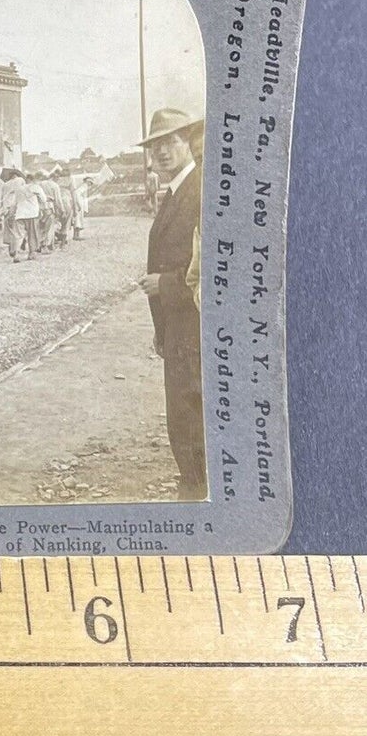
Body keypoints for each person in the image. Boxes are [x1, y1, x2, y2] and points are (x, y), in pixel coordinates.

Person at [140, 107, 206, 498]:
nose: (162, 152)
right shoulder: (176, 190)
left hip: (194, 323)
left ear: (189, 141)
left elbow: (216, 267)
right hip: (178, 327)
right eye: (155, 146)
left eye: (171, 142)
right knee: (185, 413)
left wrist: (164, 284)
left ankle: (198, 495)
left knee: (190, 414)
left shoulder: (199, 190)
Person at [0, 168, 36, 262]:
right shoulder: (20, 181)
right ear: (16, 175)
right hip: (17, 207)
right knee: (22, 231)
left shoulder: (5, 185)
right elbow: (26, 192)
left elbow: (1, 198)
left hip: (6, 208)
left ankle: (13, 249)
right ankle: (25, 250)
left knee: (11, 230)